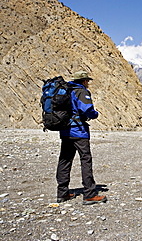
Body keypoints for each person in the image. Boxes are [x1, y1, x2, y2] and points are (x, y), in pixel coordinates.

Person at [56, 71, 107, 205]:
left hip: (65, 130)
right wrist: (95, 114)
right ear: (84, 81)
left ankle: (62, 193)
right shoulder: (81, 91)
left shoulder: (66, 90)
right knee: (86, 160)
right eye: (87, 81)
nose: (88, 84)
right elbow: (87, 109)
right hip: (79, 131)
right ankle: (89, 194)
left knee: (65, 160)